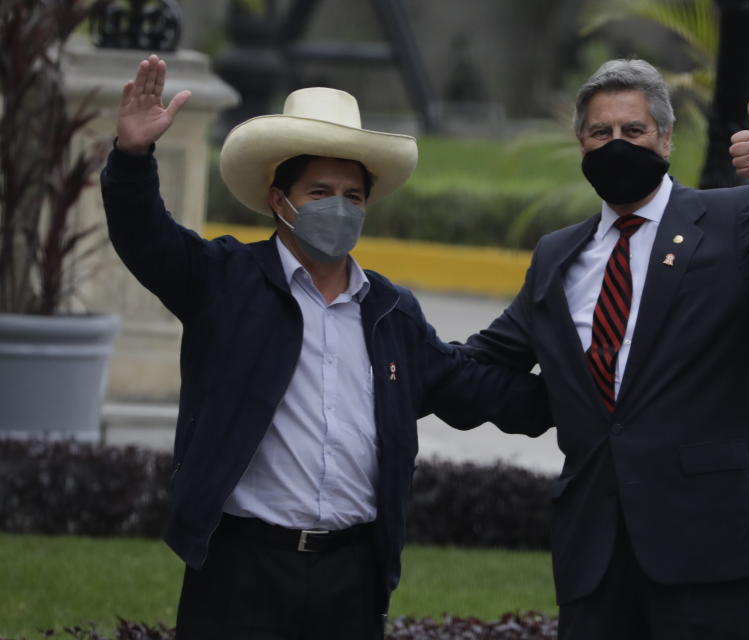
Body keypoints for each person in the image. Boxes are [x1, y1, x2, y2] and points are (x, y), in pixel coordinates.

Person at [100, 54, 551, 640]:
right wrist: (132, 157)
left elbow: (469, 385)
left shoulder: (390, 311)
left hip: (352, 577)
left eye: (352, 196)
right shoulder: (225, 279)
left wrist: (578, 392)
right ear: (277, 200)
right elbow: (146, 236)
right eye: (319, 191)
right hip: (241, 569)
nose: (338, 207)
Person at [463, 59, 749, 639]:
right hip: (594, 554)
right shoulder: (557, 255)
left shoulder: (733, 218)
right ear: (581, 143)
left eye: (633, 131)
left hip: (706, 551)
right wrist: (393, 354)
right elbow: (487, 362)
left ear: (666, 140)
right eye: (601, 133)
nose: (616, 144)